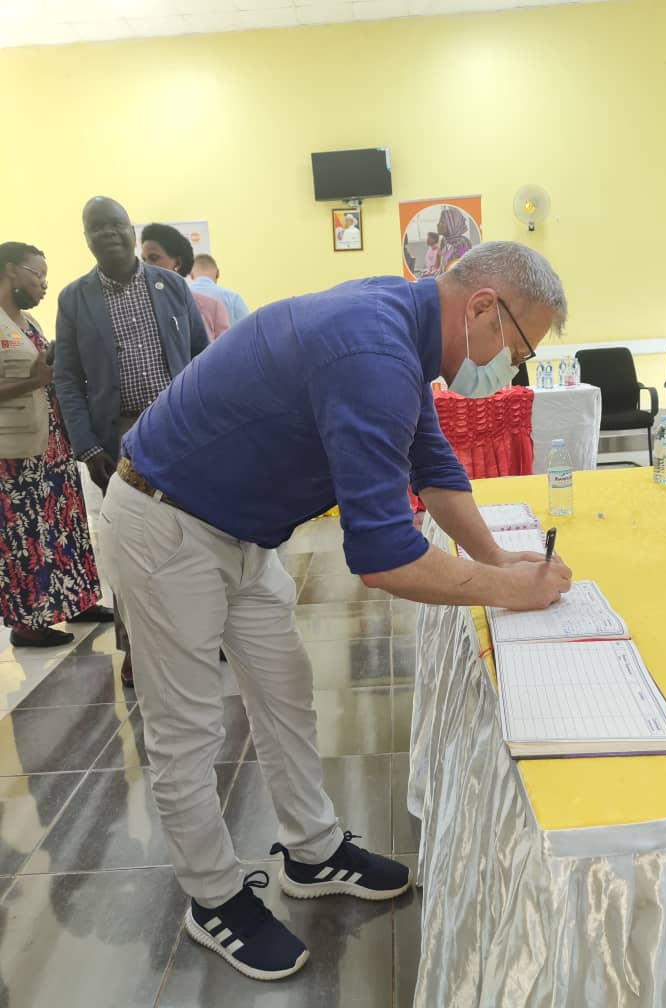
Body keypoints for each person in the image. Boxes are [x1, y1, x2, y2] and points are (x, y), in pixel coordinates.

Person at [97, 240, 571, 982]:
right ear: (482, 307)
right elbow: (383, 557)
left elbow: (432, 462)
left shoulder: (403, 324)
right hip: (167, 520)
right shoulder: (372, 348)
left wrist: (495, 560)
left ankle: (313, 852)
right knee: (187, 727)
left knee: (284, 693)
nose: (512, 366)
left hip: (241, 528)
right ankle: (212, 895)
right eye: (519, 346)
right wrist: (512, 590)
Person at [55, 197, 208, 685]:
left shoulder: (171, 285)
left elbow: (204, 358)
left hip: (179, 428)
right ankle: (135, 645)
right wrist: (87, 447)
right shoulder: (74, 299)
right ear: (86, 238)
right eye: (96, 228)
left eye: (115, 225)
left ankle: (204, 636)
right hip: (118, 439)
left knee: (198, 535)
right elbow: (67, 379)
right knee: (130, 546)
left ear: (131, 229)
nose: (107, 234)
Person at [0, 242, 112, 647]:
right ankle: (26, 623)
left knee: (65, 526)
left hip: (52, 444)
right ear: (11, 270)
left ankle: (77, 602)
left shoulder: (27, 321)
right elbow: (33, 379)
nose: (44, 283)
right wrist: (34, 381)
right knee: (26, 535)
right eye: (37, 274)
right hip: (14, 455)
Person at [141, 223, 229, 342]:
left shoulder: (211, 307)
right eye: (144, 260)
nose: (145, 266)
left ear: (177, 263)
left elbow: (224, 353)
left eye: (154, 258)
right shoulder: (140, 308)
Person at [189, 253, 249, 326]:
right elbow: (247, 327)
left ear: (191, 275)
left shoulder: (180, 296)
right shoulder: (232, 298)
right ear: (218, 274)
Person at [437, 206, 473, 273]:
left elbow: (463, 270)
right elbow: (443, 266)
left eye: (441, 222)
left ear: (452, 225)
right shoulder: (444, 242)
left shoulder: (462, 243)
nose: (438, 225)